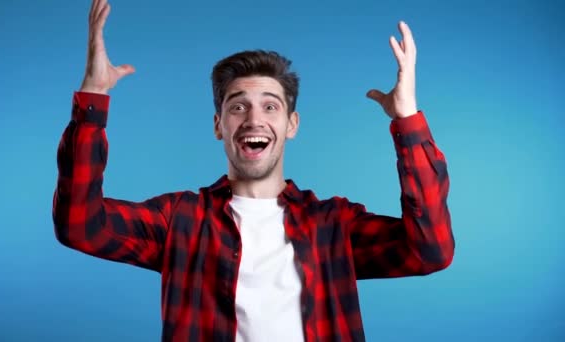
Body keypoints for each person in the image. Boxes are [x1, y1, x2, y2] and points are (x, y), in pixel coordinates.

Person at [52, 0, 455, 341]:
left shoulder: (331, 225)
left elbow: (431, 251)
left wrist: (407, 120)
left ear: (291, 125)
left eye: (270, 106)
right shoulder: (180, 220)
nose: (253, 119)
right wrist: (94, 96)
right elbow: (80, 225)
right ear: (218, 125)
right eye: (238, 106)